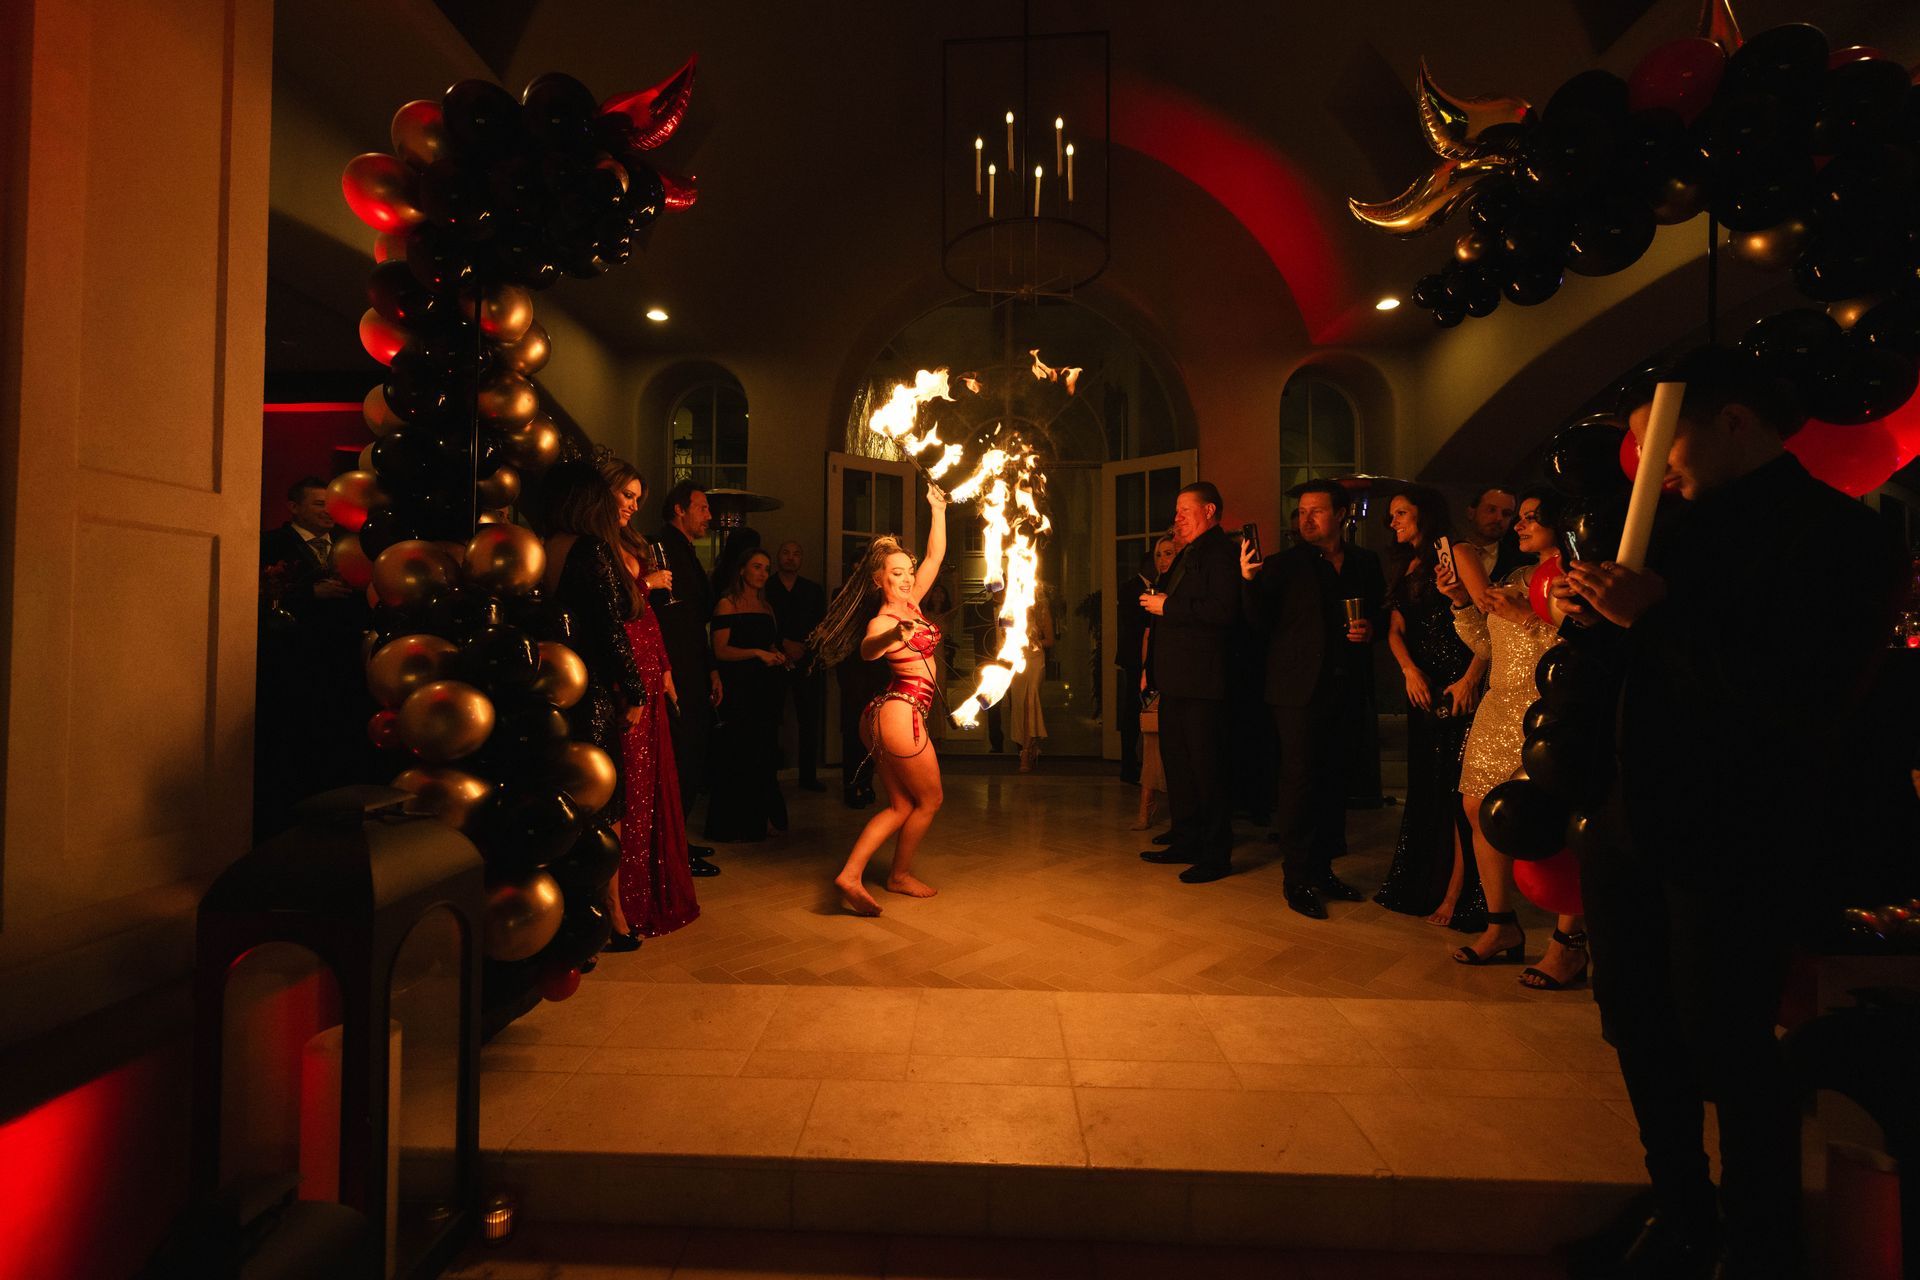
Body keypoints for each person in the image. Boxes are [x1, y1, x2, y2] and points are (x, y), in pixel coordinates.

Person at [1550, 349, 1907, 1279]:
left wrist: (1652, 620)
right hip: (1630, 821)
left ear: (1734, 422)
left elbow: (1803, 692)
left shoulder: (1839, 537)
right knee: (1637, 1025)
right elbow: (1639, 663)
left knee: (1729, 1044)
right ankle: (1680, 1210)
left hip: (1737, 828)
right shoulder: (1669, 530)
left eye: (1662, 441)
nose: (1650, 464)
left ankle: (1758, 1242)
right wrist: (1591, 620)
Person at [1440, 489, 1586, 988]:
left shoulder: (1576, 580)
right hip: (1498, 706)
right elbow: (1488, 643)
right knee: (1478, 807)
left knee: (1557, 823)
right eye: (1517, 518)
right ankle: (1500, 925)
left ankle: (1568, 944)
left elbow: (1584, 655)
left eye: (1530, 518)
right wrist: (1462, 603)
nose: (1518, 526)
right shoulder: (1517, 577)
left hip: (1548, 715)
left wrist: (1529, 617)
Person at [809, 484, 950, 915]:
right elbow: (868, 650)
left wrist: (937, 509)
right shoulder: (885, 617)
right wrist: (893, 635)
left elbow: (935, 557)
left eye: (908, 571)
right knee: (931, 800)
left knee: (900, 805)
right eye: (896, 573)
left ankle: (851, 875)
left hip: (884, 714)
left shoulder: (912, 602)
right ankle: (899, 875)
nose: (908, 577)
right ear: (878, 580)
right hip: (899, 713)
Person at [1239, 481, 1371, 917]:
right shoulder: (1284, 565)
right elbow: (1256, 622)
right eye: (1301, 512)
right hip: (1295, 690)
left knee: (1335, 779)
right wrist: (1248, 581)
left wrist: (1367, 630)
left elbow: (1381, 615)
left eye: (1316, 511)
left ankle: (1324, 869)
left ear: (1341, 514)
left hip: (1345, 685)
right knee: (1299, 781)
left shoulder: (1364, 563)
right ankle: (1296, 878)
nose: (1306, 519)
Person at [538, 461, 649, 954]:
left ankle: (569, 915)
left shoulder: (544, 547)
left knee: (565, 803)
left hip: (550, 691)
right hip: (592, 692)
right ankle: (611, 917)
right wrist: (636, 689)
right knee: (606, 802)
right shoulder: (590, 549)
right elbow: (609, 628)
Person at [597, 455, 707, 937]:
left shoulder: (627, 540)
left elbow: (646, 615)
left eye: (638, 499)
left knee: (654, 780)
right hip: (623, 671)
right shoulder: (593, 547)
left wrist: (663, 668)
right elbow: (613, 616)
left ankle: (643, 893)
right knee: (629, 787)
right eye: (627, 496)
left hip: (648, 662)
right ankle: (619, 902)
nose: (633, 506)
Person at [1374, 487, 1487, 930]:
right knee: (1429, 786)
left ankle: (1458, 892)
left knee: (1458, 791)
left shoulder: (1458, 552)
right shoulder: (1408, 563)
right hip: (1421, 687)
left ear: (1426, 514)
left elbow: (1491, 620)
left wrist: (1470, 679)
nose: (1393, 521)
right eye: (1391, 514)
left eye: (1401, 512)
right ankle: (1422, 883)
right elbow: (1396, 628)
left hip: (1459, 686)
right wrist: (1408, 671)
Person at [1138, 482, 1242, 884]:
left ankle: (1216, 854)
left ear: (1210, 510)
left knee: (1206, 767)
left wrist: (1169, 605)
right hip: (1178, 679)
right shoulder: (1189, 553)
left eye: (1185, 510)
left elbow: (1223, 610)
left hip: (1204, 681)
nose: (1176, 517)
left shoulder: (1221, 553)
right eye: (1176, 510)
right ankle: (1187, 837)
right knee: (1179, 763)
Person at [255, 477, 371, 837]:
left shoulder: (351, 546)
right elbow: (256, 596)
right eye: (320, 504)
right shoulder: (270, 543)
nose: (328, 512)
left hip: (343, 660)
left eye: (331, 505)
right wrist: (309, 594)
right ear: (294, 507)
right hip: (293, 661)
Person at [651, 481, 723, 870]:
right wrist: (667, 671)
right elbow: (662, 617)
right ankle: (669, 852)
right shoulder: (659, 546)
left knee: (693, 754)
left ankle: (678, 843)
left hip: (693, 666)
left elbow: (697, 620)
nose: (709, 515)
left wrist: (711, 669)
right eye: (703, 508)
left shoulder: (688, 553)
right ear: (680, 509)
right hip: (674, 669)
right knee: (680, 756)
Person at [707, 547, 790, 843]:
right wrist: (756, 653)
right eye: (757, 567)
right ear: (742, 570)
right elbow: (719, 651)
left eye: (766, 568)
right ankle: (732, 825)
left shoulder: (767, 607)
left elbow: (768, 643)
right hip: (739, 688)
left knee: (763, 754)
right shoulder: (727, 604)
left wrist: (774, 653)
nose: (762, 573)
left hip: (765, 688)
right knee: (737, 753)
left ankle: (759, 821)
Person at [767, 541, 829, 791]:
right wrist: (783, 644)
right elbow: (761, 622)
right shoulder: (766, 586)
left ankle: (808, 776)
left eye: (796, 553)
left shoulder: (812, 590)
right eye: (786, 553)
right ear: (778, 557)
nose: (791, 558)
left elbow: (820, 625)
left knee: (809, 719)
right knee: (771, 718)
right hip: (773, 659)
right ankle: (768, 775)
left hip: (806, 661)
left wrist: (802, 648)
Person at [1131, 535, 1177, 830]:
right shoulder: (1155, 588)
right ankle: (1146, 807)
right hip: (1157, 672)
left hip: (1179, 673)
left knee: (1173, 744)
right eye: (1159, 554)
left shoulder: (1179, 587)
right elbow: (1150, 635)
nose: (1162, 559)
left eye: (1169, 553)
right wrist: (1146, 670)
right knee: (1150, 738)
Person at [1115, 550, 1156, 785]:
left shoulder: (1160, 586)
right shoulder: (1131, 588)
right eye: (1157, 559)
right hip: (1133, 658)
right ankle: (1128, 765)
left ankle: (1144, 764)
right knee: (1131, 711)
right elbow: (1134, 623)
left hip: (1149, 656)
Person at [1007, 586, 1054, 772]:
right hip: (1018, 662)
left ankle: (1025, 753)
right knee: (1019, 705)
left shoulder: (1042, 611)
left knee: (1030, 699)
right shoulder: (1012, 609)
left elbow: (1050, 641)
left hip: (1035, 661)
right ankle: (1030, 745)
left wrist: (1031, 642)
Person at [1460, 485, 1527, 583]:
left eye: (1506, 513)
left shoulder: (1519, 563)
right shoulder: (1444, 554)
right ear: (1471, 513)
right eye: (1491, 510)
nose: (1499, 518)